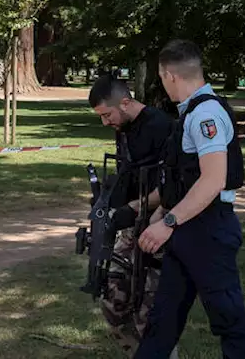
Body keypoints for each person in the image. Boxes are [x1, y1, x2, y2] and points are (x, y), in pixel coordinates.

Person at [135, 40, 245, 358]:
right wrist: (150, 210)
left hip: (208, 231)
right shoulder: (190, 112)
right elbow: (184, 179)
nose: (163, 85)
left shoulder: (206, 114)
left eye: (161, 78)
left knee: (229, 320)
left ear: (169, 74)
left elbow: (213, 180)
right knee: (162, 321)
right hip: (188, 230)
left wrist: (168, 222)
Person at [88, 75, 173, 355]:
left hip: (158, 226)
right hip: (130, 226)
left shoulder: (161, 127)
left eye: (107, 114)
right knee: (113, 303)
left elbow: (172, 184)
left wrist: (135, 208)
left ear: (125, 102)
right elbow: (128, 173)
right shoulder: (122, 127)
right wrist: (108, 201)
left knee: (150, 314)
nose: (105, 122)